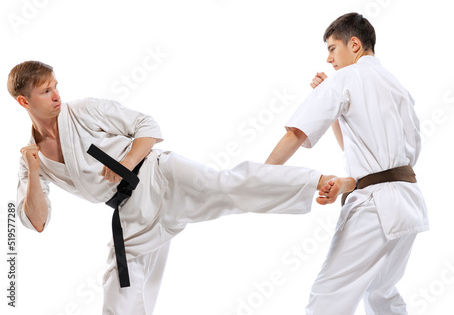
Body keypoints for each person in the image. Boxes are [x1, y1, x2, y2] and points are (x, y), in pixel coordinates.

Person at [8, 60, 356, 315]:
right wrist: (36, 172)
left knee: (227, 185)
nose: (56, 95)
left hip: (161, 174)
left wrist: (126, 163)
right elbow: (36, 222)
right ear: (24, 102)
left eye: (55, 85)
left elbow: (149, 126)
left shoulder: (83, 111)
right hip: (131, 216)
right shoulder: (30, 159)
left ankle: (316, 181)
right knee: (119, 292)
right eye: (45, 91)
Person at [265, 12, 429, 315]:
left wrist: (261, 176)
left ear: (354, 44)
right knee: (380, 292)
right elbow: (361, 150)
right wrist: (334, 102)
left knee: (328, 296)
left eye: (331, 48)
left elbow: (297, 132)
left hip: (375, 207)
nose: (329, 59)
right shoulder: (395, 85)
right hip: (408, 204)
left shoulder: (346, 78)